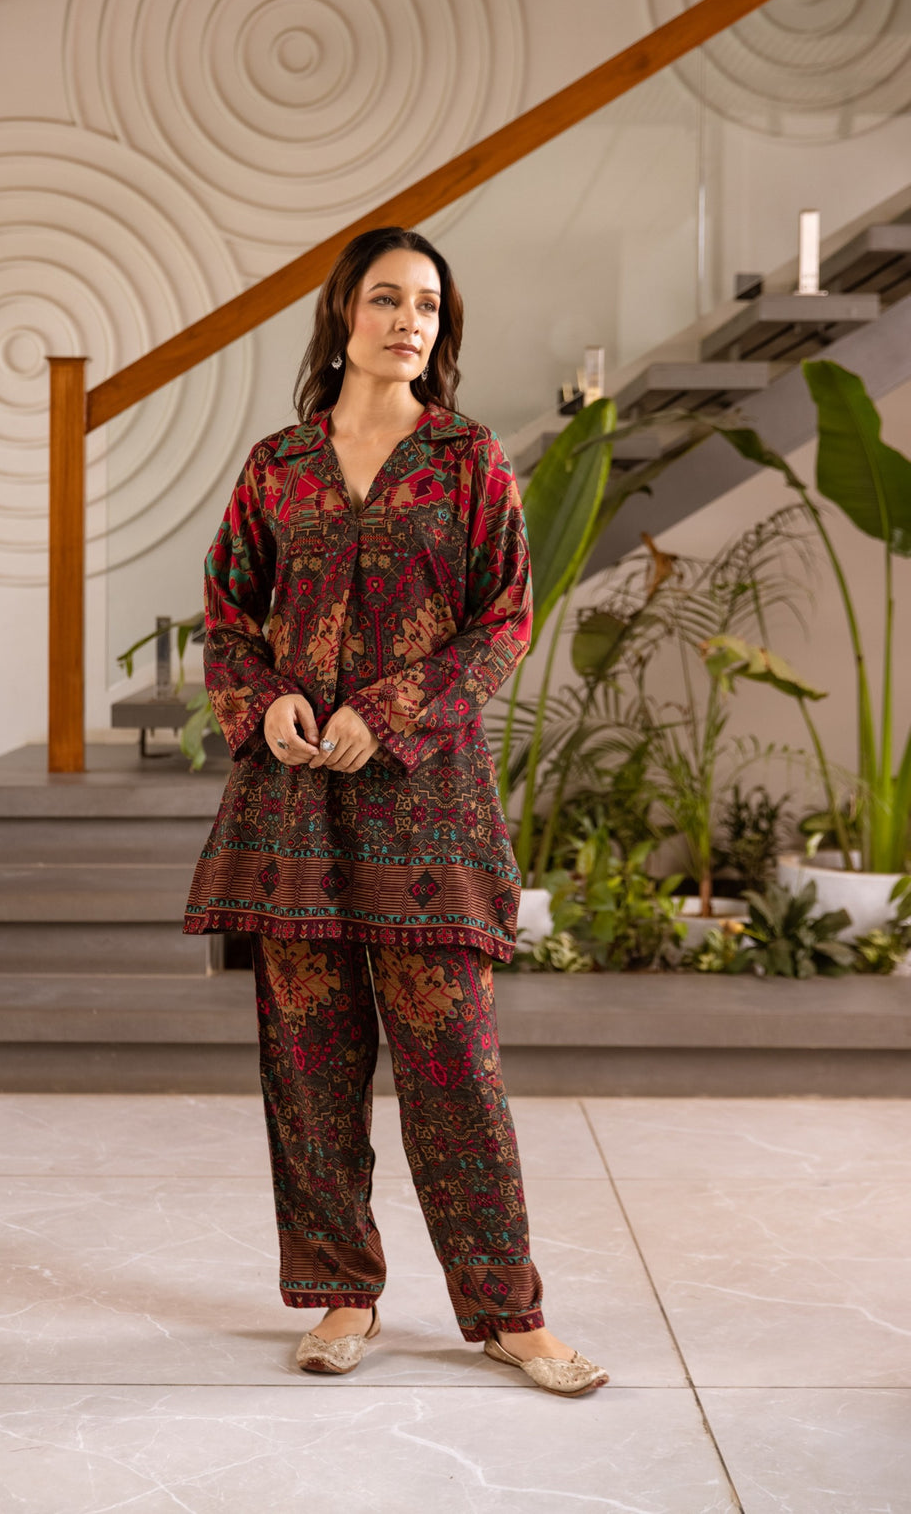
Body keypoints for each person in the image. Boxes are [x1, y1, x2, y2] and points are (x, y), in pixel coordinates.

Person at [183, 226, 609, 1397]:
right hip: (293, 813)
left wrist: (391, 710)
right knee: (308, 1064)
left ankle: (509, 1312)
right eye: (386, 299)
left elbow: (503, 622)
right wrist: (264, 702)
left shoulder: (469, 460)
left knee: (454, 1065)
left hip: (428, 807)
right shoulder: (277, 466)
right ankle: (343, 1291)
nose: (408, 320)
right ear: (343, 315)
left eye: (428, 304)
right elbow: (226, 616)